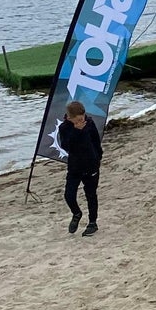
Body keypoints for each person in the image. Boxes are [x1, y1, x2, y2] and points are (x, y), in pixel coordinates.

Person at [57, 101, 102, 236]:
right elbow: (66, 146)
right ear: (70, 118)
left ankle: (92, 223)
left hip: (91, 165)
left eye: (82, 118)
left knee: (91, 195)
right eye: (78, 119)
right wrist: (77, 131)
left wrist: (98, 157)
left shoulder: (90, 123)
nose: (81, 121)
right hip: (75, 167)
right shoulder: (65, 128)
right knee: (69, 195)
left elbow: (96, 142)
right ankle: (76, 213)